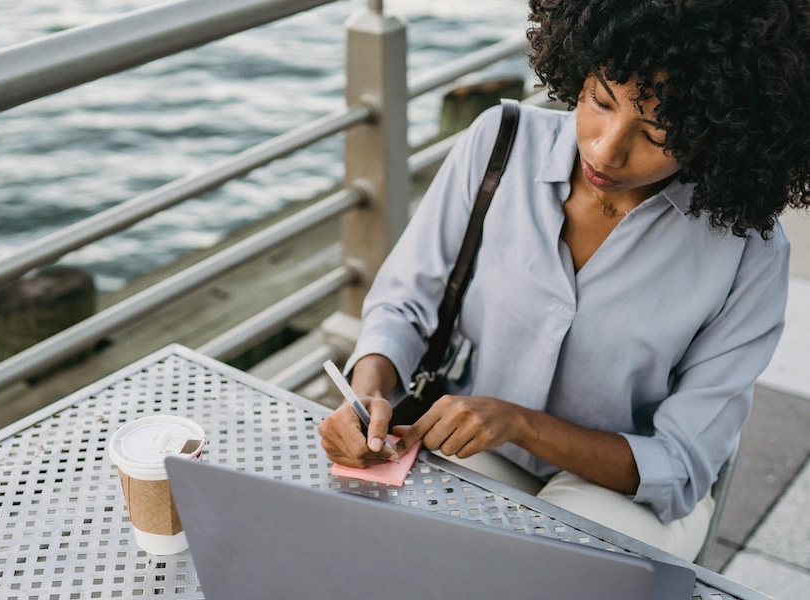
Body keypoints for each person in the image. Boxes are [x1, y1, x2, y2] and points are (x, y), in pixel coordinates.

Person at [319, 0, 810, 560]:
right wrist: (367, 398)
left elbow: (678, 465)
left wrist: (522, 425)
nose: (606, 148)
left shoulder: (749, 254)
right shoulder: (499, 145)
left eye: (657, 133)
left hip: (631, 492)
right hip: (479, 450)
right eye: (601, 100)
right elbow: (405, 306)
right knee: (386, 545)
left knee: (557, 566)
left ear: (718, 133)